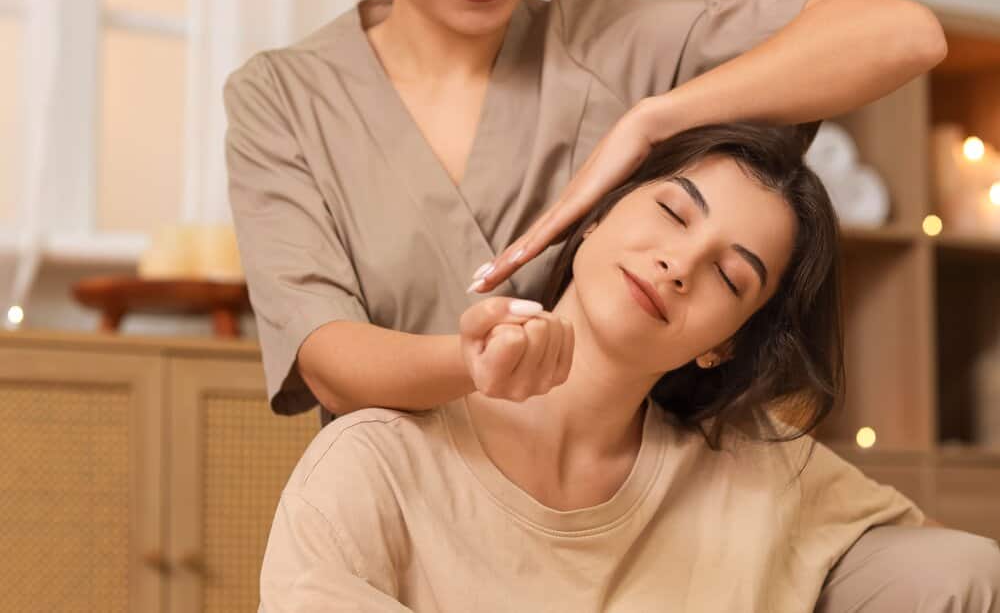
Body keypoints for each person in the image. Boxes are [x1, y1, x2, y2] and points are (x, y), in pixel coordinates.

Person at [222, 0, 981, 609]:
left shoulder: (611, 45)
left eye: (727, 272)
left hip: (661, 506)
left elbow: (903, 36)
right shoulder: (285, 100)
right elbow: (326, 354)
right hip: (440, 509)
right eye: (674, 215)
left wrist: (651, 119)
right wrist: (477, 366)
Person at [255, 123, 1000, 611]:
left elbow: (954, 568)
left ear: (725, 343)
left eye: (730, 278)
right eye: (674, 213)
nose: (679, 263)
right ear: (594, 216)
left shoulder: (760, 467)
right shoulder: (375, 464)